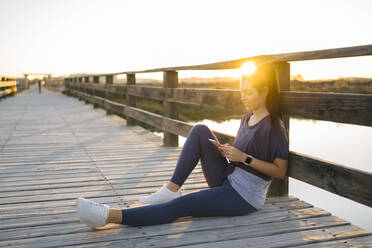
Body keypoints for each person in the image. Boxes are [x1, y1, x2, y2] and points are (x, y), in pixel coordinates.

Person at [76, 63, 289, 228]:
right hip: (227, 178)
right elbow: (244, 153)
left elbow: (280, 171)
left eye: (248, 92)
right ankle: (171, 188)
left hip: (244, 196)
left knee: (182, 206)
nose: (242, 97)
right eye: (241, 91)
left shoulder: (274, 127)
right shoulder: (246, 118)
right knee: (199, 130)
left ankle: (110, 216)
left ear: (265, 91)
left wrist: (243, 157)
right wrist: (227, 151)